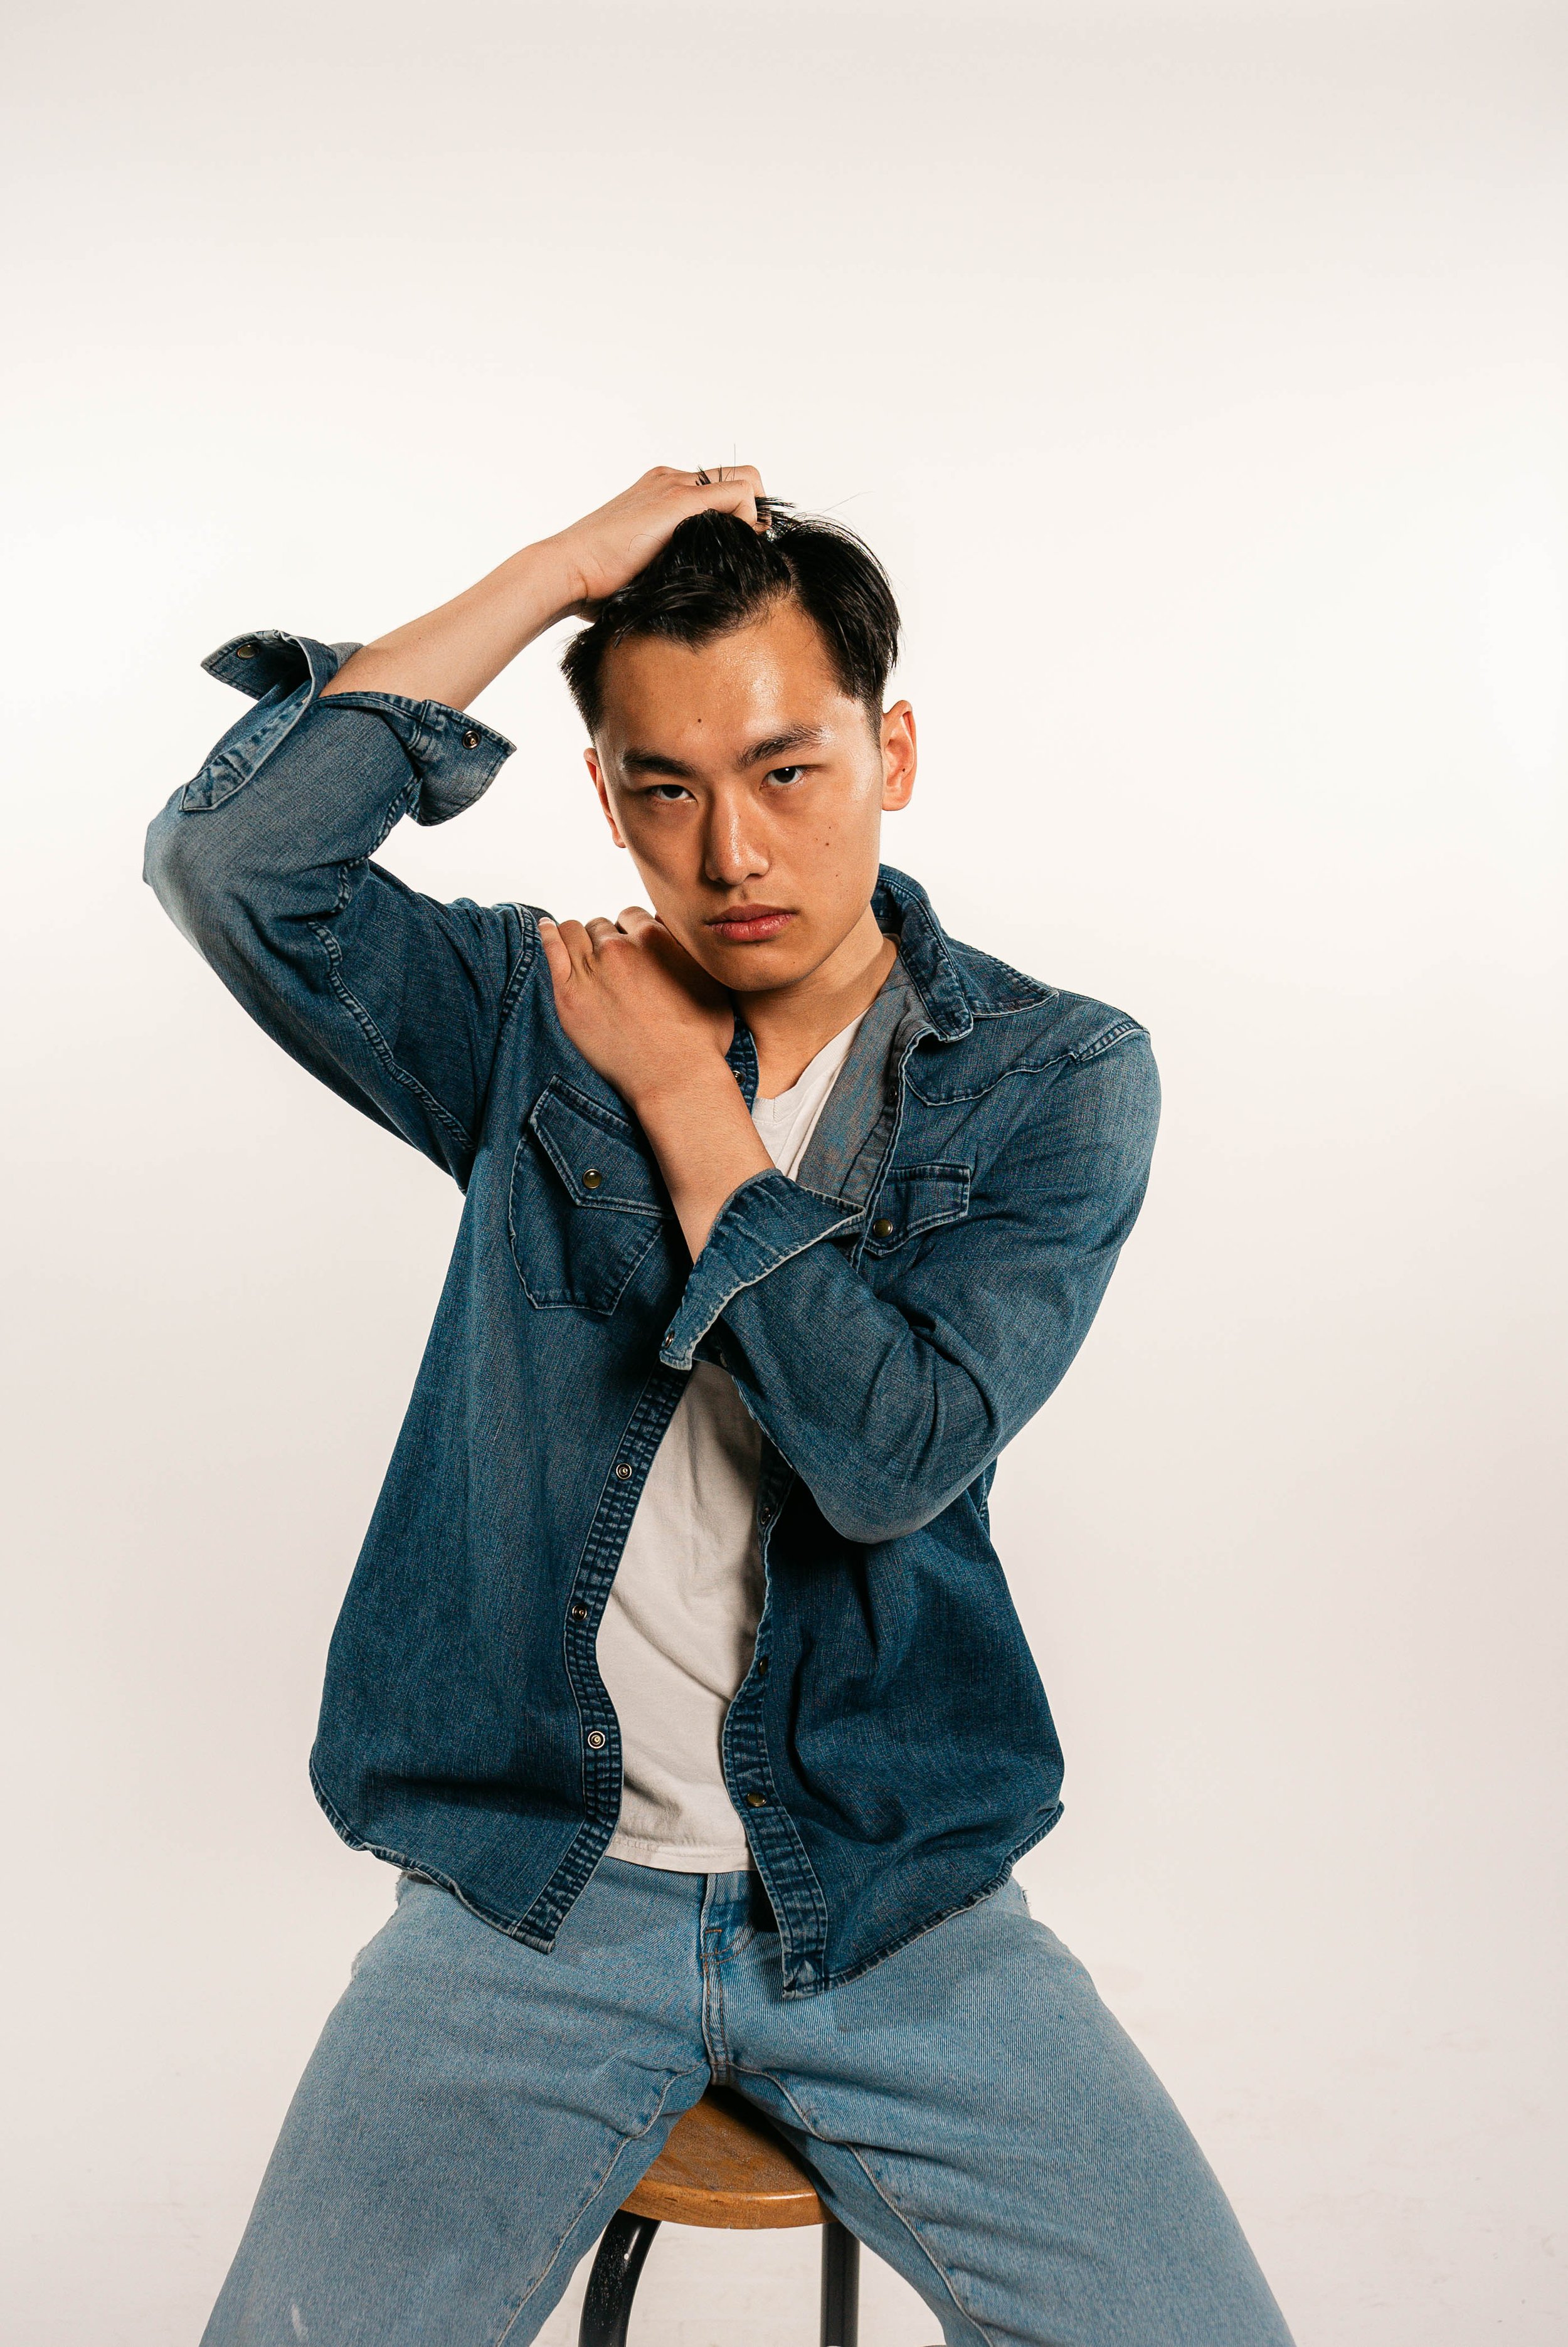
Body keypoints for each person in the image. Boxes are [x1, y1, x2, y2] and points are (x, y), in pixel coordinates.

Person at [146, 466, 1293, 2347]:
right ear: (605, 797)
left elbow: (892, 1453)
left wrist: (689, 1108)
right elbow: (234, 866)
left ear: (890, 752)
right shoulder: (531, 1011)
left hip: (890, 1898)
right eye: (666, 788)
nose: (733, 852)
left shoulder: (1053, 1073)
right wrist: (560, 569)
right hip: (531, 1896)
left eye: (785, 771)